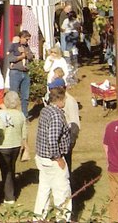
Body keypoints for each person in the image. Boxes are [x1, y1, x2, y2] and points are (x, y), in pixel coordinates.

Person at [33, 85, 72, 220]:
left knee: (44, 189)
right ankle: (62, 219)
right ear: (60, 99)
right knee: (62, 191)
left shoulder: (45, 110)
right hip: (53, 159)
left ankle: (38, 218)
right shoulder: (56, 115)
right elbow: (52, 138)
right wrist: (58, 158)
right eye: (64, 98)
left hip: (41, 157)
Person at [0, 90, 28, 204]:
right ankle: (11, 189)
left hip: (4, 146)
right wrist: (25, 145)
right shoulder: (21, 114)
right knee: (11, 168)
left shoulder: (1, 113)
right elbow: (24, 132)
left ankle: (9, 197)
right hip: (16, 146)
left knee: (6, 171)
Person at [7, 30, 32, 116]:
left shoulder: (27, 47)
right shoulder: (13, 46)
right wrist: (21, 56)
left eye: (28, 39)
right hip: (15, 72)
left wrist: (25, 52)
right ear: (21, 38)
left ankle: (25, 116)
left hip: (25, 73)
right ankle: (12, 116)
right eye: (26, 39)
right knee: (13, 95)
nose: (27, 41)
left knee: (25, 96)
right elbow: (10, 58)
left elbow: (31, 56)